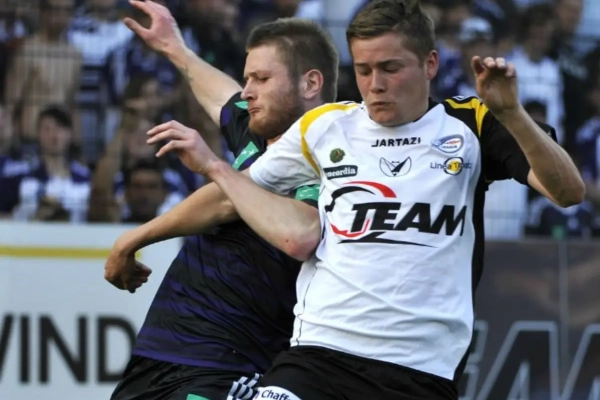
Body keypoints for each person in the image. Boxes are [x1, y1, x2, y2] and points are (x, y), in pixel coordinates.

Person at [147, 0, 585, 399]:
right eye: (363, 70)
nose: (375, 85)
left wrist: (512, 113)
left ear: (430, 64)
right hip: (317, 356)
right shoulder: (327, 126)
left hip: (420, 370)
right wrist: (135, 239)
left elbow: (567, 191)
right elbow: (232, 193)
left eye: (391, 68)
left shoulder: (471, 124)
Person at [103, 1, 338, 399]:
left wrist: (133, 239)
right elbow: (222, 98)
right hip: (159, 353)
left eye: (262, 78)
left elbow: (227, 203)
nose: (248, 91)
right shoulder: (261, 135)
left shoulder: (329, 153)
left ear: (310, 84)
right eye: (248, 78)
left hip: (228, 364)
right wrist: (174, 47)